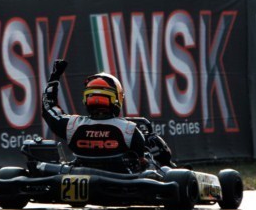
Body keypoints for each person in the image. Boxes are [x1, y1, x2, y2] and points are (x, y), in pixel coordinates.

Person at [41, 59, 173, 169]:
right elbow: (142, 162)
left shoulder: (72, 125)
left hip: (80, 175)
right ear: (116, 99)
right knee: (162, 165)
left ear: (87, 99)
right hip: (122, 182)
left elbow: (48, 108)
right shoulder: (130, 130)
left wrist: (54, 78)